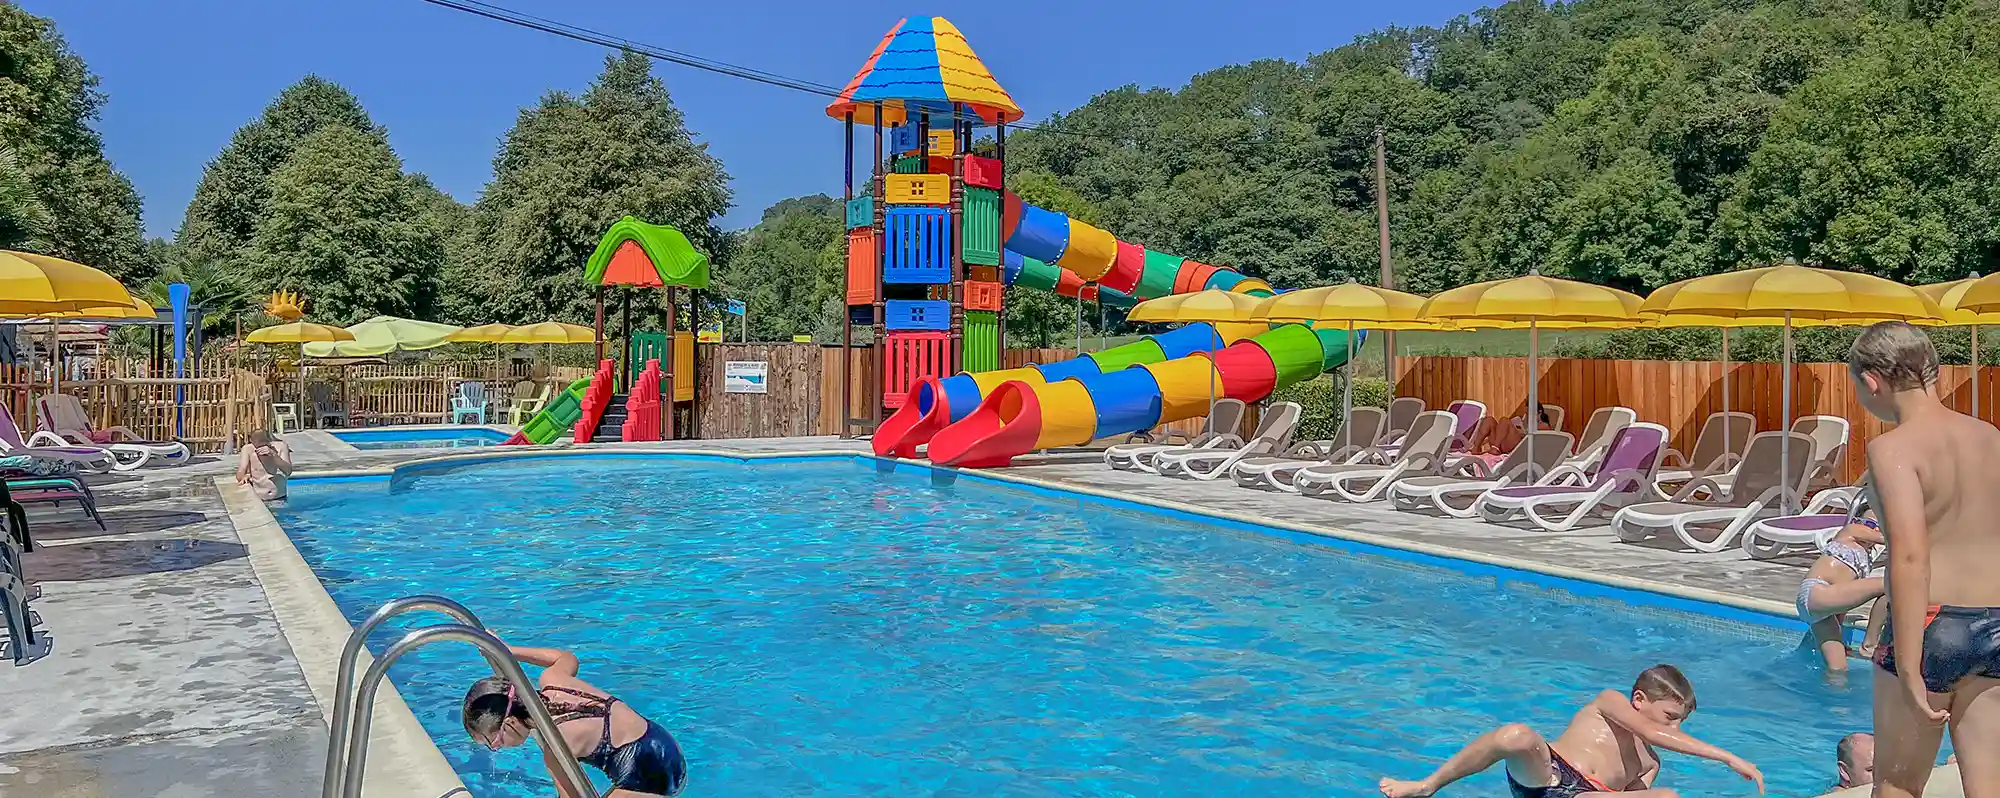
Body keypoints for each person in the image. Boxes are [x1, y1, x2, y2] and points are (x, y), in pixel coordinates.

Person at [1850, 321, 2000, 798]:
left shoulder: (1893, 448)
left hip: (1933, 625)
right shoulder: (1990, 437)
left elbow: (1911, 557)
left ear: (1872, 379)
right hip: (1996, 620)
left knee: (1897, 785)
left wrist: (1911, 669)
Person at [1377, 664, 1762, 797]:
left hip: (1585, 796)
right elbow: (1659, 734)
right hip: (1546, 775)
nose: (1674, 727)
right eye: (1669, 715)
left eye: (1682, 722)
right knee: (1517, 735)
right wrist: (1728, 756)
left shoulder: (1649, 760)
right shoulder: (1609, 701)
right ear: (1640, 699)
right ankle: (1427, 785)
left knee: (1666, 797)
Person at [462, 642, 687, 797]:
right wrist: (509, 651)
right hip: (662, 742)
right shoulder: (553, 681)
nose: (498, 748)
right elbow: (566, 657)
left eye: (494, 742)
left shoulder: (557, 747)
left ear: (509, 723)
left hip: (652, 775)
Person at [1798, 509, 1886, 671]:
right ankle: (1869, 646)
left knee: (1838, 668)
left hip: (1818, 603)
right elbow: (1891, 539)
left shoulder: (1864, 554)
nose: (1873, 529)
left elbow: (1841, 599)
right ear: (1855, 521)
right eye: (1869, 523)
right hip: (1817, 590)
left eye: (1879, 526)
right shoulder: (1850, 530)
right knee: (1891, 584)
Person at [1465, 404, 1549, 470]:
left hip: (1520, 449)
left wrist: (1520, 433)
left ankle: (1495, 448)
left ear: (1540, 412)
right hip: (1508, 445)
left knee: (1504, 420)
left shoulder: (1543, 425)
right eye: (1527, 413)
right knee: (1490, 420)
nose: (1528, 415)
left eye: (1530, 413)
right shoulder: (1528, 423)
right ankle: (1476, 448)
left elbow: (1535, 441)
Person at [234, 429, 292, 500]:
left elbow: (288, 471)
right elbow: (240, 474)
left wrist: (274, 455)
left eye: (264, 443)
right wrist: (245, 475)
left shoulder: (281, 447)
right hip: (260, 500)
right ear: (252, 441)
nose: (261, 448)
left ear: (269, 441)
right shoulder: (248, 449)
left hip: (279, 498)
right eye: (258, 445)